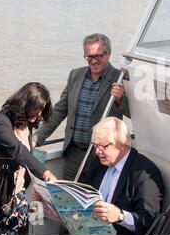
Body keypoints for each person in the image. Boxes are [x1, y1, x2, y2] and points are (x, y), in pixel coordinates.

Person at [33, 33, 130, 181]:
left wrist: (119, 100)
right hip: (74, 155)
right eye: (89, 56)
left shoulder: (120, 78)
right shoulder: (75, 75)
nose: (94, 61)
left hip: (104, 156)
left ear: (109, 54)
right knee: (71, 200)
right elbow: (60, 111)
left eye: (98, 56)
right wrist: (37, 138)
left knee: (99, 199)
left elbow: (133, 113)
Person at [0, 82, 57, 235]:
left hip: (17, 197)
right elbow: (19, 151)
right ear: (25, 103)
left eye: (42, 110)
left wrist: (36, 185)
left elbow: (28, 157)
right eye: (37, 109)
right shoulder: (0, 122)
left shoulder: (28, 124)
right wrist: (46, 175)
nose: (39, 114)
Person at [82, 117, 165, 235]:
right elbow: (85, 190)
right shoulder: (99, 163)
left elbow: (146, 221)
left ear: (121, 144)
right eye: (96, 145)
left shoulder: (146, 173)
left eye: (103, 147)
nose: (97, 151)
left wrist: (120, 216)